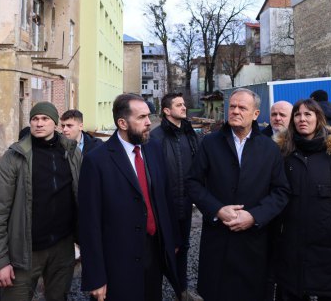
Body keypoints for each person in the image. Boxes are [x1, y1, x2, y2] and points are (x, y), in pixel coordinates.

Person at [187, 88, 289, 301]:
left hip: (254, 242)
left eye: (242, 107)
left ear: (255, 114)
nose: (235, 111)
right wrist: (217, 209)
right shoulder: (210, 143)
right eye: (232, 106)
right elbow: (193, 183)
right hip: (218, 239)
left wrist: (254, 216)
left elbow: (281, 191)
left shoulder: (269, 148)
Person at [77, 93, 178, 301]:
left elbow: (165, 196)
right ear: (122, 123)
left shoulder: (154, 149)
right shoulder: (96, 161)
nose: (149, 122)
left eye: (149, 116)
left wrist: (171, 238)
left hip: (153, 253)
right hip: (117, 261)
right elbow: (89, 224)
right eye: (141, 118)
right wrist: (96, 276)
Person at [0, 101, 82, 301]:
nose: (39, 123)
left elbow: (81, 197)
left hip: (62, 247)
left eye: (45, 119)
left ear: (55, 123)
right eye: (35, 119)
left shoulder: (71, 153)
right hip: (24, 251)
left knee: (59, 296)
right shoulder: (14, 158)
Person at [273, 99, 331, 300]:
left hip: (328, 238)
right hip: (292, 236)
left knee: (328, 291)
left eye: (308, 114)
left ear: (318, 118)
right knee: (292, 288)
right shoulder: (284, 152)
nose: (302, 119)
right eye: (297, 115)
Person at [149, 93, 201, 301]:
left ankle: (182, 292)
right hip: (164, 206)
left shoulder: (190, 135)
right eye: (178, 105)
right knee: (162, 250)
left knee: (184, 247)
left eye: (183, 104)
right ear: (167, 110)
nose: (184, 107)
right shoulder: (155, 138)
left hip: (186, 203)